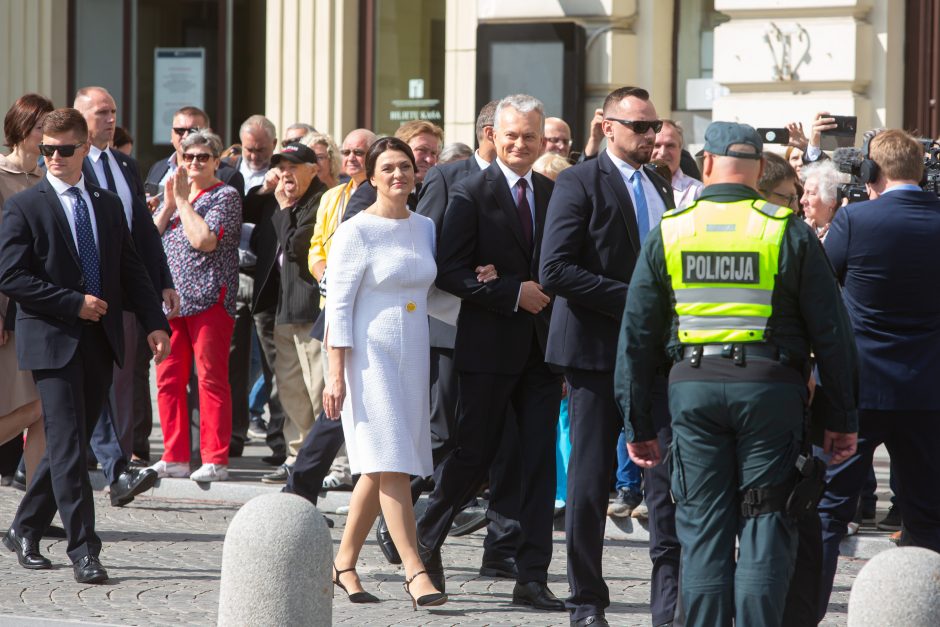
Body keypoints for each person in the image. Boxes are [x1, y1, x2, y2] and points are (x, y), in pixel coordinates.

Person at [616, 121, 859, 627]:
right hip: (770, 390)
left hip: (694, 388)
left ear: (706, 164)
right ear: (755, 170)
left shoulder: (672, 228)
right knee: (767, 522)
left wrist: (636, 424)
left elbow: (636, 336)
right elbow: (833, 333)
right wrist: (840, 416)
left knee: (702, 525)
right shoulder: (783, 228)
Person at [0, 107, 170, 583]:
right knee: (70, 446)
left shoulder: (106, 203)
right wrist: (71, 303)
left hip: (102, 340)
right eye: (46, 150)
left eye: (64, 150)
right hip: (51, 340)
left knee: (67, 446)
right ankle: (85, 549)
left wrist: (156, 323)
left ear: (83, 149)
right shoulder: (25, 205)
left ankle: (25, 526)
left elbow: (131, 269)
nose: (53, 157)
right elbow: (11, 276)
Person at [416, 94, 565, 612]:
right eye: (512, 136)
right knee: (473, 452)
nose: (520, 144)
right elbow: (449, 269)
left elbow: (562, 261)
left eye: (529, 135)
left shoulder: (552, 190)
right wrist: (506, 291)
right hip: (488, 344)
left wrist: (535, 288)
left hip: (543, 350)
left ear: (542, 137)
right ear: (493, 136)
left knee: (537, 464)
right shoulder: (469, 191)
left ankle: (532, 575)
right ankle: (426, 538)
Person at [540, 86, 678, 627]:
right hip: (595, 354)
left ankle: (668, 607)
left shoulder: (661, 183)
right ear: (606, 125)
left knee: (665, 483)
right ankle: (586, 602)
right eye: (640, 127)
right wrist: (636, 299)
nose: (651, 136)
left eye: (655, 126)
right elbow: (555, 270)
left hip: (656, 357)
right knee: (590, 482)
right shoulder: (577, 181)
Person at [816, 128, 940, 620]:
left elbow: (823, 289)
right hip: (929, 392)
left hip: (859, 390)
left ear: (872, 172)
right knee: (929, 515)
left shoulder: (854, 220)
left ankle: (810, 610)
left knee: (829, 511)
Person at [323, 137, 446, 610]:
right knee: (392, 459)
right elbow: (338, 304)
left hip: (413, 352)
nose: (399, 175)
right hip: (368, 357)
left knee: (379, 466)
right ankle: (415, 570)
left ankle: (344, 563)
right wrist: (336, 373)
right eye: (389, 168)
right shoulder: (357, 230)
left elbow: (432, 291)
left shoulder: (425, 227)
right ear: (371, 176)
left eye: (406, 167)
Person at [74, 85, 178, 507]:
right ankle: (115, 467)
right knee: (90, 383)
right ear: (79, 116)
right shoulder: (70, 165)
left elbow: (143, 232)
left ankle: (108, 467)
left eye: (113, 111)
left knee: (108, 381)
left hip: (125, 290)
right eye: (101, 112)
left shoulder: (125, 164)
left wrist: (163, 279)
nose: (110, 119)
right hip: (83, 295)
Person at [150, 130, 241, 482]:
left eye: (203, 157)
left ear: (216, 161)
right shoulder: (176, 195)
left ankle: (215, 458)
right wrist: (170, 205)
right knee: (168, 379)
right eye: (188, 158)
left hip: (208, 298)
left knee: (211, 379)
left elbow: (203, 240)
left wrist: (184, 204)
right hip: (171, 303)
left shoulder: (226, 195)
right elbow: (151, 239)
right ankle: (174, 456)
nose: (194, 163)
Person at [250, 140, 327, 483]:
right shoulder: (279, 197)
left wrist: (282, 208)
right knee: (290, 390)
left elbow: (298, 247)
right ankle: (297, 457)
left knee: (318, 389)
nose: (286, 174)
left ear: (314, 169)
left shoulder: (323, 200)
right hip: (281, 307)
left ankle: (330, 461)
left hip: (310, 307)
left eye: (294, 166)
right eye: (282, 167)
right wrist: (271, 195)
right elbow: (247, 211)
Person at [0, 93, 52, 487]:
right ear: (20, 129)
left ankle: (32, 513)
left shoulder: (51, 178)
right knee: (29, 407)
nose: (47, 135)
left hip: (42, 312)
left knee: (46, 410)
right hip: (7, 313)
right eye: (41, 127)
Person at [342, 120, 443, 220]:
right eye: (421, 150)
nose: (429, 159)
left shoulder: (425, 191)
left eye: (433, 153)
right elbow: (349, 230)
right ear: (401, 149)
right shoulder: (372, 190)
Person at [145, 106, 244, 199]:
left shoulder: (228, 175)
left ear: (207, 134)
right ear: (172, 134)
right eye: (180, 131)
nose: (186, 136)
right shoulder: (158, 168)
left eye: (193, 131)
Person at [652, 119, 704, 210]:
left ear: (680, 149)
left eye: (670, 145)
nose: (663, 152)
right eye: (656, 145)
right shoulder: (635, 186)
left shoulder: (697, 191)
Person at [800, 160, 844, 240]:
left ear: (831, 201)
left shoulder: (841, 233)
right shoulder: (799, 228)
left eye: (811, 193)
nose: (802, 200)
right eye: (804, 192)